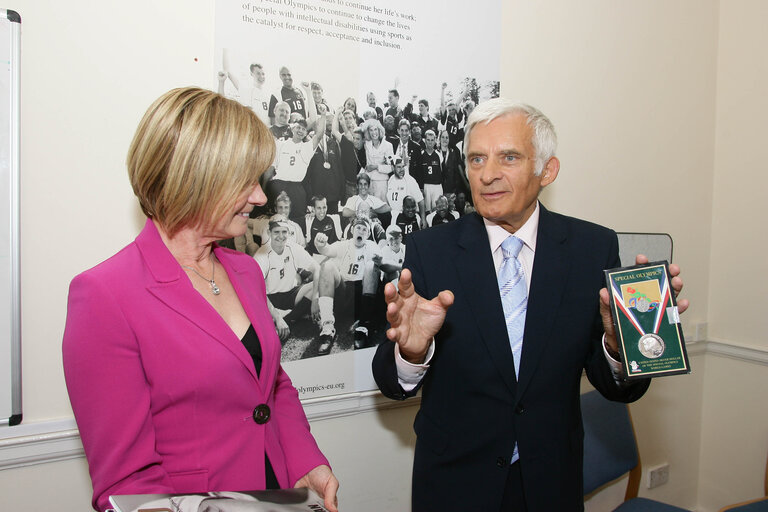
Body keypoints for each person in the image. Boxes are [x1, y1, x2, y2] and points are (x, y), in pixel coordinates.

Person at [372, 99, 687, 511]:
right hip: (455, 485)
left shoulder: (592, 249)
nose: (487, 175)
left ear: (547, 170)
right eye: (476, 159)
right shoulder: (432, 251)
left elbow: (615, 386)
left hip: (550, 483)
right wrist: (412, 351)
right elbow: (391, 380)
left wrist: (617, 345)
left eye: (509, 157)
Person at [62, 88, 338, 512]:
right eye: (245, 181)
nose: (261, 197)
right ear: (195, 178)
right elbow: (128, 481)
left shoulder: (244, 270)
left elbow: (270, 384)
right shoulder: (104, 296)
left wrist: (304, 462)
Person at [315, 216, 382, 351]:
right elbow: (326, 250)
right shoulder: (343, 244)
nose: (361, 231)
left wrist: (379, 262)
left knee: (370, 265)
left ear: (368, 234)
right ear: (352, 230)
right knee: (327, 265)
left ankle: (363, 326)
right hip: (344, 293)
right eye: (358, 228)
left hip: (363, 294)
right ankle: (327, 327)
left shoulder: (372, 246)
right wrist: (320, 244)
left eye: (364, 230)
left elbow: (381, 266)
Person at [255, 218, 320, 342]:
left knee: (318, 285)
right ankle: (285, 317)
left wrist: (316, 299)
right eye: (276, 232)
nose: (281, 236)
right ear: (269, 233)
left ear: (289, 233)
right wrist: (277, 316)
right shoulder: (261, 256)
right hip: (270, 299)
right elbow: (257, 291)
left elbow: (317, 268)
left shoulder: (293, 247)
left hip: (291, 294)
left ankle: (287, 318)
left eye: (284, 232)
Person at [386, 157, 425, 228]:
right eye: (398, 167)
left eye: (403, 167)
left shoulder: (410, 180)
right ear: (392, 168)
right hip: (394, 217)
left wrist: (423, 219)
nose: (401, 170)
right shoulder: (391, 180)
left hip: (407, 217)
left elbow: (420, 200)